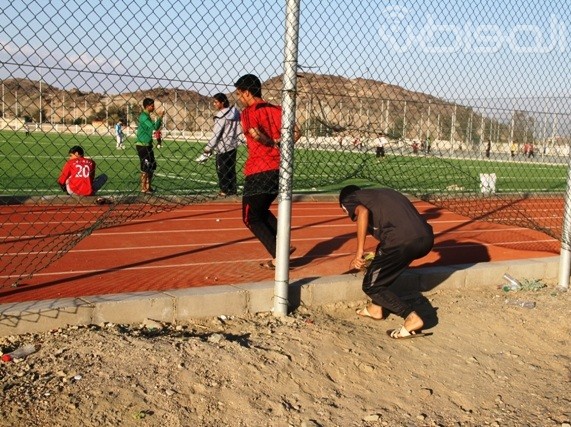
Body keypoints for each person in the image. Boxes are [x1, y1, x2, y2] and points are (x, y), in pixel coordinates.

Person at [339, 185, 434, 339]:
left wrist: (359, 253)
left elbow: (362, 212)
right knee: (382, 267)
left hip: (401, 240)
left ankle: (411, 318)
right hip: (426, 239)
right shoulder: (382, 194)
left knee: (371, 285)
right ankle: (375, 309)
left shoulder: (350, 198)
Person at [234, 74, 300, 269]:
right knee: (261, 210)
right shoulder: (277, 109)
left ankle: (279, 255)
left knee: (250, 217)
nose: (238, 98)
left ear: (247, 92)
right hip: (280, 168)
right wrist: (280, 145)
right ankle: (282, 247)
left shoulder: (248, 112)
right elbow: (297, 132)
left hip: (259, 169)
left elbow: (255, 133)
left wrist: (269, 143)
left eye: (239, 94)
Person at [197, 93, 241, 196]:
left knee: (222, 169)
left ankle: (224, 190)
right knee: (231, 168)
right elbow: (239, 128)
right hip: (233, 145)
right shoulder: (235, 112)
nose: (214, 104)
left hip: (222, 147)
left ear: (223, 102)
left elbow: (216, 133)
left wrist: (208, 148)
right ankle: (232, 189)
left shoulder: (221, 115)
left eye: (216, 102)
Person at [136, 98, 163, 193]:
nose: (154, 107)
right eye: (152, 106)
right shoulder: (143, 117)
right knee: (145, 166)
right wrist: (160, 117)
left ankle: (149, 186)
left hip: (148, 145)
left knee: (152, 166)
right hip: (142, 145)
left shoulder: (147, 116)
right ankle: (143, 187)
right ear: (147, 106)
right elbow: (154, 127)